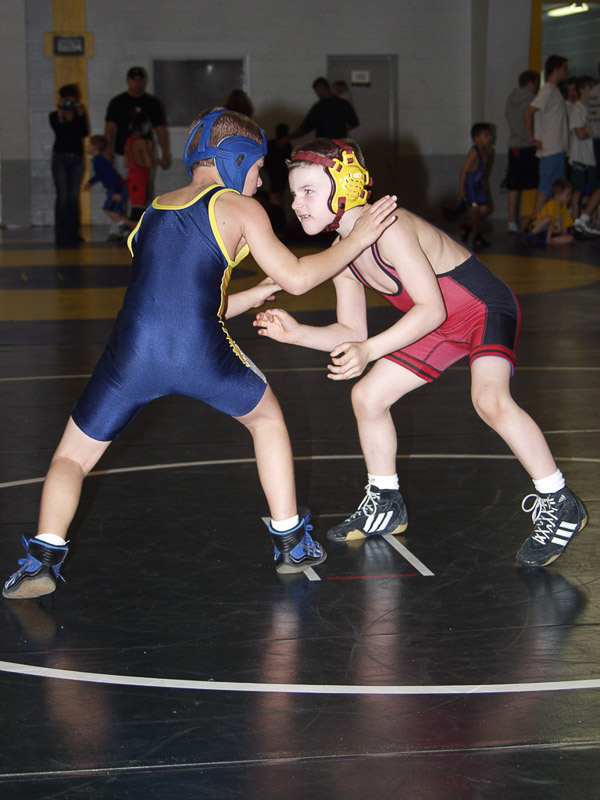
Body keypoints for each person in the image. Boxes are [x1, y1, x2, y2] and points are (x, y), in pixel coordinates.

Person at [2, 110, 396, 600]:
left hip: (132, 354)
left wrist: (250, 296)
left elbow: (171, 298)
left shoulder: (154, 209)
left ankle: (41, 559)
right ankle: (291, 542)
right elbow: (297, 278)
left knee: (71, 457)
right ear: (237, 160)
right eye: (257, 169)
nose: (260, 182)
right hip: (198, 350)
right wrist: (357, 240)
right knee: (266, 421)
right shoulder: (239, 206)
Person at [255, 137, 587, 569]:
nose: (296, 204)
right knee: (368, 396)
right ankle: (385, 500)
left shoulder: (390, 227)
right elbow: (352, 332)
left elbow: (429, 310)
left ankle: (559, 500)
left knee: (489, 399)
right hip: (437, 321)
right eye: (294, 193)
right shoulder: (342, 254)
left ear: (347, 186)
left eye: (308, 191)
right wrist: (298, 334)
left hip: (481, 308)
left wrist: (369, 350)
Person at [524, 55, 570, 219]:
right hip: (550, 148)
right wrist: (532, 138)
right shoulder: (547, 90)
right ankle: (534, 222)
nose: (568, 71)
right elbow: (528, 112)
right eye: (565, 68)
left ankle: (549, 223)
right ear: (556, 69)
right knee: (546, 188)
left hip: (557, 148)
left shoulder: (555, 90)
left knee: (557, 190)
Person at [104, 67, 169, 171]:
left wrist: (164, 154)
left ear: (144, 81)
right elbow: (109, 130)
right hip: (122, 153)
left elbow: (160, 130)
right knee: (123, 180)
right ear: (128, 81)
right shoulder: (117, 102)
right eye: (134, 80)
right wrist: (107, 152)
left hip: (145, 153)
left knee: (143, 181)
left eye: (140, 80)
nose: (137, 83)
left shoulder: (152, 103)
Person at [49, 84, 89, 246]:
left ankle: (73, 232)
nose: (69, 103)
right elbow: (59, 130)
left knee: (73, 197)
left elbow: (84, 132)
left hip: (77, 158)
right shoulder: (54, 115)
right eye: (66, 99)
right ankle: (61, 233)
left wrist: (80, 114)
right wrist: (61, 113)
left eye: (72, 99)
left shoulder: (79, 115)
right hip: (60, 158)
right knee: (63, 197)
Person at [504, 70, 540, 233]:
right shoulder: (533, 99)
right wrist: (532, 138)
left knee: (514, 186)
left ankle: (512, 221)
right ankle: (536, 219)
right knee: (540, 183)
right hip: (528, 145)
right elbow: (530, 118)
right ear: (531, 83)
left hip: (514, 145)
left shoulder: (510, 98)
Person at [84, 135, 132, 238]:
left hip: (116, 189)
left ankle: (125, 228)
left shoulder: (100, 161)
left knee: (109, 209)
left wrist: (117, 192)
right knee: (116, 212)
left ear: (94, 147)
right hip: (115, 188)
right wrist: (90, 182)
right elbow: (99, 175)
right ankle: (128, 228)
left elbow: (114, 177)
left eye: (89, 145)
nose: (87, 147)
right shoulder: (98, 160)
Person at [457, 122, 494, 248]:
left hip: (478, 185)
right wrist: (462, 189)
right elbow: (464, 171)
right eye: (486, 135)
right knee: (475, 211)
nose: (489, 138)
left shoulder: (487, 151)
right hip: (471, 186)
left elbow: (482, 170)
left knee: (485, 209)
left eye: (490, 135)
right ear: (476, 138)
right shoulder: (474, 152)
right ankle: (477, 237)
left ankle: (467, 227)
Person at [567, 76, 598, 220]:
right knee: (578, 191)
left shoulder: (592, 109)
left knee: (593, 190)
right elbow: (581, 134)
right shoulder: (577, 109)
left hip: (592, 157)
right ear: (582, 89)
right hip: (579, 157)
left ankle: (594, 221)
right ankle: (575, 219)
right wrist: (594, 128)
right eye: (590, 87)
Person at [289, 77, 359, 140]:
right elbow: (354, 123)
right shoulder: (343, 104)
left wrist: (289, 137)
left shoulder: (319, 107)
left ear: (318, 89)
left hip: (324, 144)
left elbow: (306, 128)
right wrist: (342, 130)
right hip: (340, 143)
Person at [524, 178, 574, 245]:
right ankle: (531, 234)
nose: (570, 197)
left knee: (570, 238)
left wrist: (565, 237)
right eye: (567, 195)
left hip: (553, 233)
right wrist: (548, 238)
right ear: (558, 195)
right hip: (542, 229)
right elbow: (550, 223)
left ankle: (545, 241)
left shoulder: (564, 207)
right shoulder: (551, 204)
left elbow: (565, 225)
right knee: (549, 218)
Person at [124, 112, 154, 222]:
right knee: (140, 211)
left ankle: (127, 226)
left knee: (135, 207)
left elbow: (126, 163)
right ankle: (128, 227)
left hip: (132, 177)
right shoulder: (142, 142)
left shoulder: (128, 141)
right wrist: (150, 148)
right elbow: (149, 163)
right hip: (141, 179)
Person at [264, 122, 292, 207]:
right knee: (277, 195)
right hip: (278, 173)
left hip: (277, 173)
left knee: (277, 195)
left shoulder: (271, 144)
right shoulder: (287, 146)